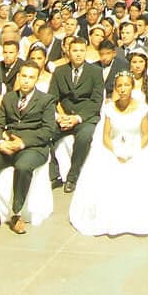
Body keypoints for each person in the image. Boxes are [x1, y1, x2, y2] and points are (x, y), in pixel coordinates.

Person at [70, 71, 148, 236]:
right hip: (114, 146)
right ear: (116, 88)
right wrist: (116, 151)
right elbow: (105, 135)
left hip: (137, 147)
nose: (123, 89)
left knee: (138, 171)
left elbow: (146, 135)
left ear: (132, 87)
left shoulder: (142, 108)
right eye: (120, 86)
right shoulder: (110, 108)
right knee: (110, 170)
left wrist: (134, 152)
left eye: (127, 85)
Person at [0, 60, 55, 234]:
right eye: (24, 76)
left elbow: (47, 131)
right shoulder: (9, 98)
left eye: (31, 77)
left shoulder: (46, 100)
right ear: (19, 76)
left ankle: (16, 213)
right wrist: (1, 142)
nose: (26, 81)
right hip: (8, 146)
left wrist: (22, 142)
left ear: (37, 79)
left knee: (23, 166)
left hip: (34, 147)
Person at [49, 36, 104, 193]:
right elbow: (51, 98)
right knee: (44, 133)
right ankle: (54, 175)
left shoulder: (95, 71)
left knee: (84, 137)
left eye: (81, 50)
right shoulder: (60, 72)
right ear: (68, 52)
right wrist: (59, 117)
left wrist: (77, 118)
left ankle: (73, 177)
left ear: (86, 52)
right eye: (75, 50)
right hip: (64, 116)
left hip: (85, 118)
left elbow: (96, 102)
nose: (78, 54)